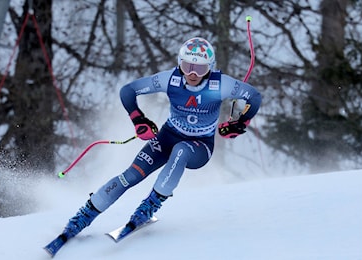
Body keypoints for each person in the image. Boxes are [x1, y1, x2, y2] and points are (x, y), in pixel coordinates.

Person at [44, 37, 262, 256]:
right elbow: (128, 91)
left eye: (200, 68)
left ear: (210, 68)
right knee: (130, 175)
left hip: (200, 146)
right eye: (187, 66)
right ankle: (84, 216)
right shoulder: (171, 79)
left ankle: (149, 206)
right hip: (167, 137)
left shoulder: (221, 84)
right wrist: (139, 120)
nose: (193, 74)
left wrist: (240, 123)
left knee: (182, 150)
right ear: (179, 63)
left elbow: (254, 96)